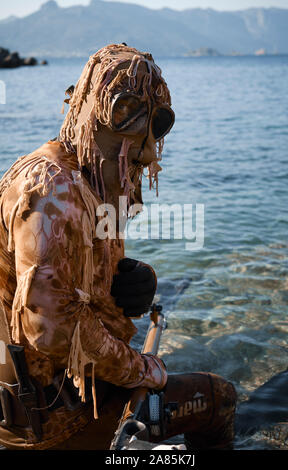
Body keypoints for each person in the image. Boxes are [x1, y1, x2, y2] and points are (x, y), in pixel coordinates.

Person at [0, 44, 236, 450]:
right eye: (126, 114)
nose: (145, 150)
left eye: (157, 124)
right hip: (50, 421)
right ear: (91, 112)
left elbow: (71, 278)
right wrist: (145, 370)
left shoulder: (85, 180)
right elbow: (50, 330)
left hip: (58, 396)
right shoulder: (52, 189)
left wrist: (129, 277)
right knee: (220, 399)